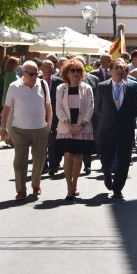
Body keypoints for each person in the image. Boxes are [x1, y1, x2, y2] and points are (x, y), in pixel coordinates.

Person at [0, 61, 51, 199]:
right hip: (19, 129)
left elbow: (48, 106)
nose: (35, 76)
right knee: (20, 161)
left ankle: (36, 184)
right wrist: (3, 127)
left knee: (39, 159)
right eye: (31, 74)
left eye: (37, 73)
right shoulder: (14, 86)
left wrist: (49, 124)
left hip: (40, 129)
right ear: (24, 73)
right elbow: (6, 108)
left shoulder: (43, 84)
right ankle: (21, 190)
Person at [94, 59, 137, 198]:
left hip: (125, 128)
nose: (120, 71)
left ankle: (118, 187)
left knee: (124, 158)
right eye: (117, 68)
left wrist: (125, 119)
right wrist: (109, 118)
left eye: (123, 68)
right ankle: (107, 175)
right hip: (107, 128)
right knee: (106, 156)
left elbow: (136, 109)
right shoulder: (102, 86)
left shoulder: (132, 87)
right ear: (110, 70)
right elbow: (97, 108)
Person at [55, 58, 96, 200]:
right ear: (67, 72)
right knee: (67, 156)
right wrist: (69, 125)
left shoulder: (87, 88)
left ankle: (75, 183)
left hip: (82, 128)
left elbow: (90, 108)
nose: (75, 73)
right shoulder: (61, 88)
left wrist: (81, 125)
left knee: (78, 157)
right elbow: (59, 108)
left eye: (78, 70)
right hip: (66, 128)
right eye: (72, 70)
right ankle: (69, 187)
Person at [41, 60, 64, 176]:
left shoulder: (59, 82)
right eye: (46, 66)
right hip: (39, 116)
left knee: (54, 141)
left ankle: (53, 165)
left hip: (55, 116)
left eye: (51, 66)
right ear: (41, 68)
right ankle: (43, 165)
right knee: (41, 142)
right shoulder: (36, 81)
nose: (49, 68)